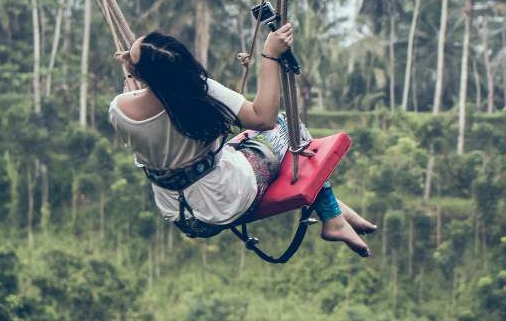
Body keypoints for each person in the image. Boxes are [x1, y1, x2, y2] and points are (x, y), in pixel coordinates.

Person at [109, 22, 375, 256]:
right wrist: (270, 55)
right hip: (225, 202)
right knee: (286, 126)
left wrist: (134, 72)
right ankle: (332, 217)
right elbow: (264, 119)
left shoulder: (119, 110)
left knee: (244, 145)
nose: (128, 55)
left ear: (140, 75)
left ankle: (332, 208)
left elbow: (146, 103)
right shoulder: (200, 91)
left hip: (183, 217)